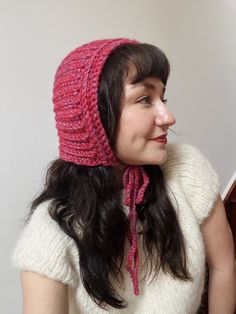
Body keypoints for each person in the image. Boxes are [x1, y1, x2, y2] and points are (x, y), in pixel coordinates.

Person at [12, 38, 235, 314]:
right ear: (94, 117)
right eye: (144, 99)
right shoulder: (52, 232)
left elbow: (223, 266)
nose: (168, 116)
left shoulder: (186, 169)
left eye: (162, 97)